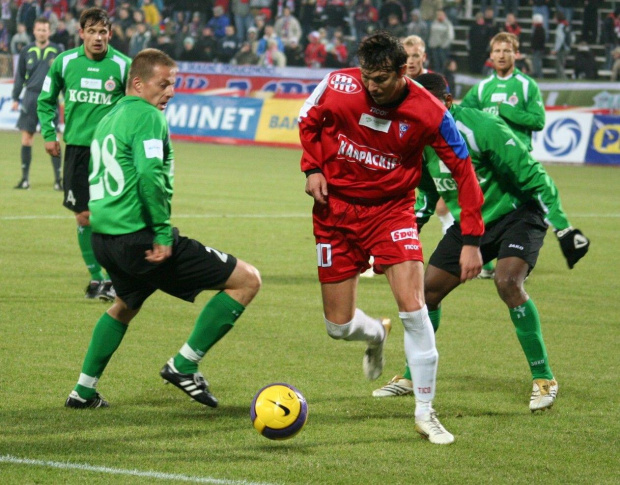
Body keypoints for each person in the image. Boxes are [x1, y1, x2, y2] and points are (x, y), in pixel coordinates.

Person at [298, 31, 484, 445]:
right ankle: (376, 335)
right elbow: (306, 120)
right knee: (337, 327)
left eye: (380, 79)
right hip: (335, 213)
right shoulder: (339, 83)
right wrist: (312, 168)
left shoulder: (430, 111)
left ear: (402, 71)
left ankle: (425, 412)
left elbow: (464, 171)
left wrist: (471, 238)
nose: (371, 87)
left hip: (391, 212)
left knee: (414, 309)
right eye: (367, 77)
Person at [372, 73, 590, 414]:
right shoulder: (417, 140)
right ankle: (413, 375)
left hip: (518, 214)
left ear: (444, 103)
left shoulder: (480, 127)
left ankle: (544, 377)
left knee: (507, 282)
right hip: (471, 223)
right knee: (425, 292)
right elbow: (427, 193)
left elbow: (533, 175)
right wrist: (407, 230)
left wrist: (563, 227)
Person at [64, 48, 262, 410]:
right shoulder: (148, 116)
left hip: (106, 239)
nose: (170, 91)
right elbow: (149, 175)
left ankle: (83, 390)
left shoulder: (109, 117)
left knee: (124, 306)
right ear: (138, 84)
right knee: (247, 280)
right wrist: (159, 231)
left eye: (174, 84)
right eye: (164, 84)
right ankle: (183, 364)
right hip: (140, 237)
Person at [37, 8, 131, 301]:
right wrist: (50, 134)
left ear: (110, 34)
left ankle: (116, 277)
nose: (97, 38)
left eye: (103, 32)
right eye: (91, 32)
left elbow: (135, 108)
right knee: (84, 217)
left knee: (112, 218)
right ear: (81, 34)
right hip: (77, 150)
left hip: (111, 153)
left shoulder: (124, 66)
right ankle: (96, 280)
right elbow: (46, 100)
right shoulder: (64, 63)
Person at [461, 32, 545, 278]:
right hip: (488, 162)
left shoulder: (527, 85)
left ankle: (519, 261)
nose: (501, 55)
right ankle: (486, 264)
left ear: (515, 54)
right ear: (490, 56)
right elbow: (463, 112)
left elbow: (538, 120)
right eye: (497, 51)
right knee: (485, 208)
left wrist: (506, 110)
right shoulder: (482, 88)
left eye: (506, 51)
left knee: (520, 213)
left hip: (517, 160)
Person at [12, 17, 62, 191]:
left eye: (45, 30)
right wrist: (15, 98)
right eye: (39, 29)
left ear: (49, 31)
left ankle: (58, 181)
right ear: (34, 31)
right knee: (27, 138)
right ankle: (25, 180)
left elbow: (64, 76)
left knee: (53, 138)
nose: (42, 32)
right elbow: (19, 76)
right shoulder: (26, 50)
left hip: (50, 99)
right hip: (31, 97)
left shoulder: (58, 50)